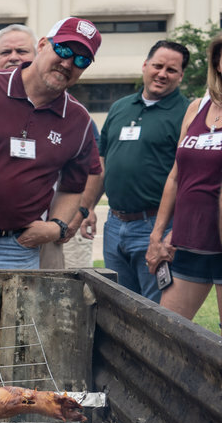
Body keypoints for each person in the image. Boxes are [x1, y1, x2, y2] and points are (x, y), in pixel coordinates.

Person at [0, 17, 101, 269]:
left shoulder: (79, 120)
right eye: (63, 50)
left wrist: (56, 227)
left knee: (18, 311)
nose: (67, 63)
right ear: (43, 45)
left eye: (81, 60)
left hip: (18, 248)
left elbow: (73, 187)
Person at [80, 41, 189, 301]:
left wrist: (168, 234)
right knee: (118, 305)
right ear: (145, 65)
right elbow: (103, 163)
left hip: (156, 227)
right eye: (158, 66)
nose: (162, 74)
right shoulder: (120, 107)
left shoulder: (187, 113)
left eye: (171, 70)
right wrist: (89, 208)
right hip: (115, 226)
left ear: (181, 76)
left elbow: (186, 178)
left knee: (155, 311)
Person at [145, 34, 222, 323]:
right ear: (217, 61)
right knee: (168, 332)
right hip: (188, 240)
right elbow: (176, 176)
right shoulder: (197, 108)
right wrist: (157, 234)